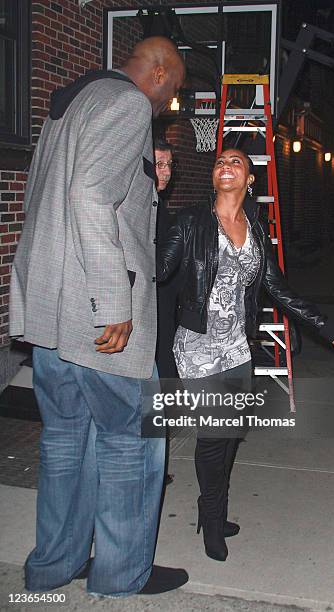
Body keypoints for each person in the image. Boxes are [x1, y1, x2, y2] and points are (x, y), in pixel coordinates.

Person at [9, 37, 187, 597]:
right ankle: (118, 575)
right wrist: (114, 302)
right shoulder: (129, 102)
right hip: (98, 317)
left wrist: (145, 186)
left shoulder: (69, 103)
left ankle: (52, 566)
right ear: (158, 74)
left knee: (65, 443)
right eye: (173, 93)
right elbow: (90, 195)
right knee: (131, 443)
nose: (168, 106)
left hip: (52, 318)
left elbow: (62, 197)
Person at [157, 148, 334, 562]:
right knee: (214, 438)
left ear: (250, 180)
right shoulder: (191, 222)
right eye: (220, 162)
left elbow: (277, 287)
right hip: (198, 346)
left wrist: (323, 324)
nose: (226, 166)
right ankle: (210, 521)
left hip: (237, 347)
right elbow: (159, 269)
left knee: (231, 435)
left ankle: (214, 510)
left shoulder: (256, 229)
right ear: (214, 176)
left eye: (236, 162)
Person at [154, 137, 179, 486]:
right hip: (151, 313)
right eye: (159, 163)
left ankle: (155, 465)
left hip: (166, 311)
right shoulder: (140, 204)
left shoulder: (160, 205)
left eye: (170, 165)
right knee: (156, 391)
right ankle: (152, 467)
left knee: (163, 391)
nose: (167, 172)